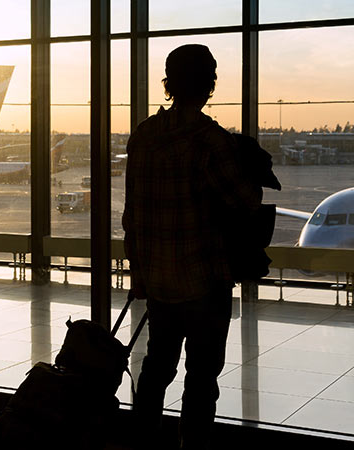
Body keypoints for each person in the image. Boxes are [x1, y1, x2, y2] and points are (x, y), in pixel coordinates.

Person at [122, 44, 262, 449]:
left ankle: (142, 442)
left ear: (170, 83)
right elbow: (245, 202)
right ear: (207, 85)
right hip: (203, 279)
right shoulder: (209, 140)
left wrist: (139, 272)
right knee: (201, 378)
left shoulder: (144, 136)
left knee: (156, 368)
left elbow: (132, 214)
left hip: (159, 280)